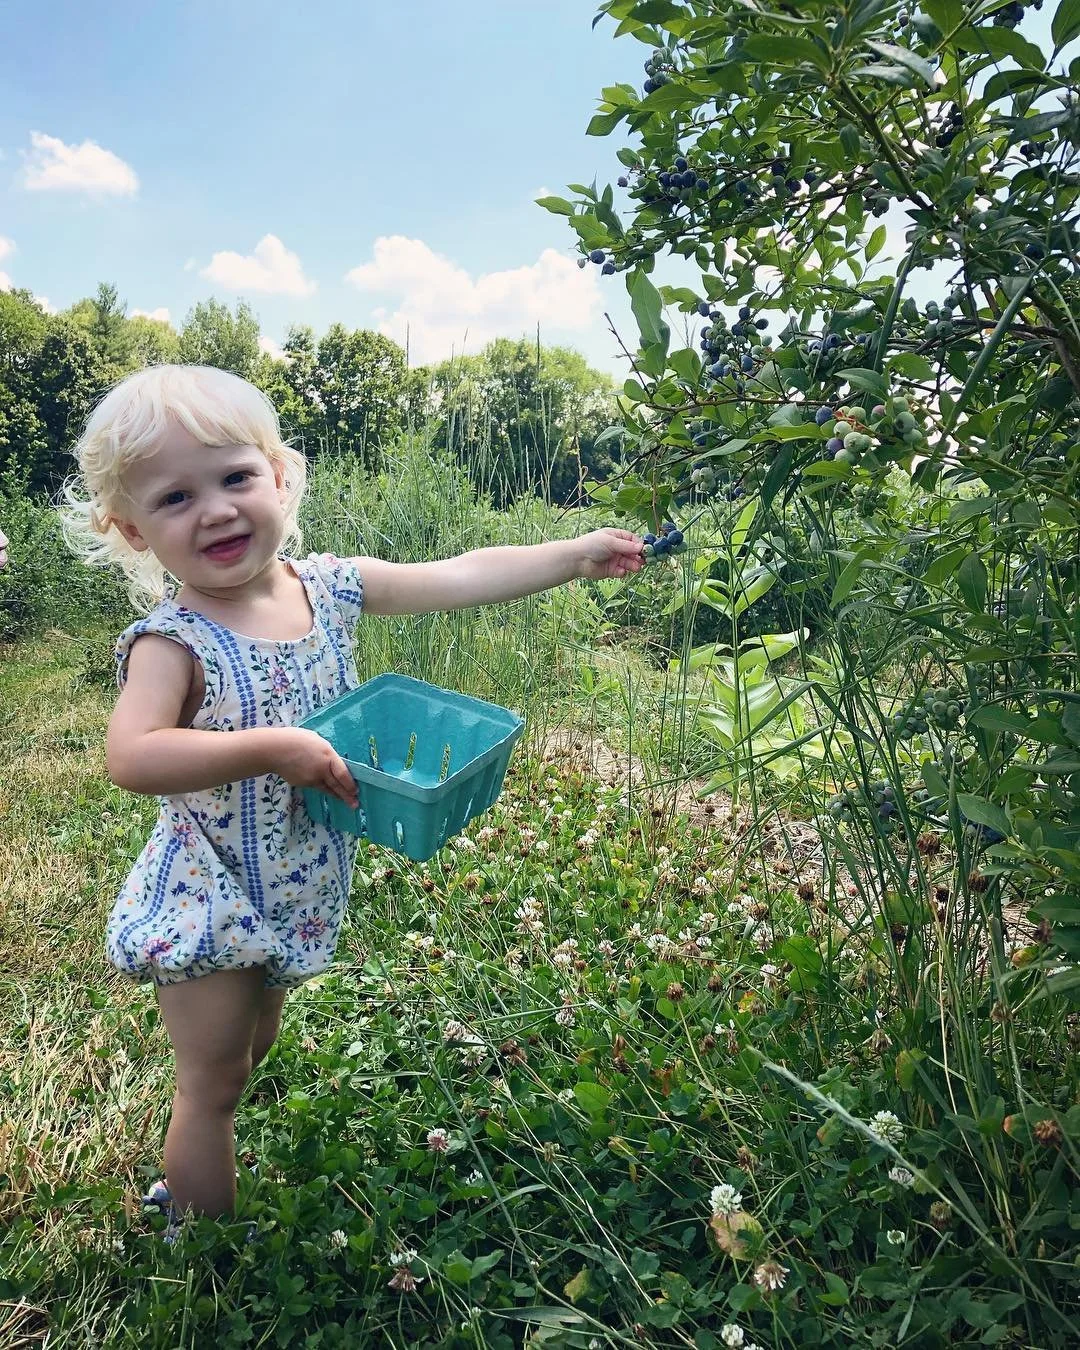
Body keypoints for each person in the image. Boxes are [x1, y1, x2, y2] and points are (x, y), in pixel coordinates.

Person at [62, 363, 643, 1229]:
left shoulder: (327, 587)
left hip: (296, 878)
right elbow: (133, 755)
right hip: (212, 892)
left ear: (279, 477)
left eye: (233, 477)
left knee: (253, 1048)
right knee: (213, 1083)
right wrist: (277, 747)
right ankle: (197, 1235)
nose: (215, 509)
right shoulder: (172, 641)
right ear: (134, 530)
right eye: (175, 498)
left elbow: (457, 574)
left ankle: (194, 1177)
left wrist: (575, 556)